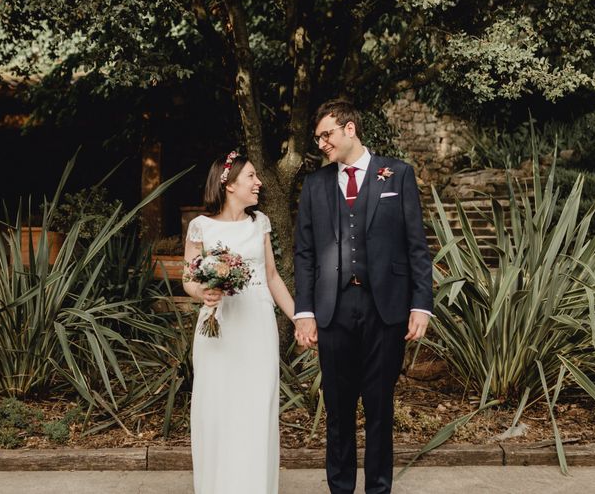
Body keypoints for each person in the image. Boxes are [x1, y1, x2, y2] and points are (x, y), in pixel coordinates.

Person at [293, 100, 434, 494]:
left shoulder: (397, 174)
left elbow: (416, 246)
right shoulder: (316, 185)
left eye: (327, 134)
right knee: (337, 410)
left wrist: (421, 304)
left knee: (379, 408)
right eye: (318, 137)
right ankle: (340, 488)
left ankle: (378, 489)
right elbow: (304, 254)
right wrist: (304, 311)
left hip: (385, 308)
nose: (321, 143)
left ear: (350, 129)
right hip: (333, 310)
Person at [182, 151, 296, 494]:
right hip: (218, 328)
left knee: (256, 408)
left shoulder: (259, 223)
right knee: (217, 408)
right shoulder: (200, 226)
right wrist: (204, 293)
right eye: (251, 176)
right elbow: (188, 278)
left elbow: (273, 277)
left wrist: (302, 318)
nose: (258, 182)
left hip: (257, 327)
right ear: (229, 184)